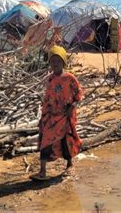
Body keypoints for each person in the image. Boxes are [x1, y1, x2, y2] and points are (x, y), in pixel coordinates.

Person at [31, 45, 83, 181]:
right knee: (45, 140)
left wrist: (73, 106)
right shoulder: (50, 79)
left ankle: (69, 165)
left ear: (64, 62)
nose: (55, 64)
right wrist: (43, 116)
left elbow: (79, 94)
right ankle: (42, 172)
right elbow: (47, 98)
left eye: (58, 61)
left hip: (65, 115)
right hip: (51, 116)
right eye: (53, 61)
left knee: (66, 140)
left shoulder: (70, 78)